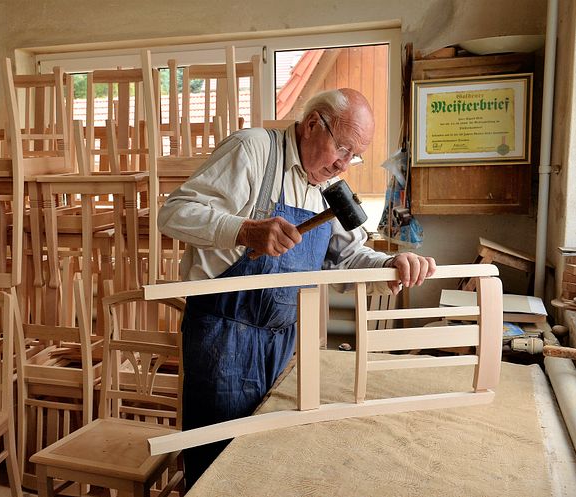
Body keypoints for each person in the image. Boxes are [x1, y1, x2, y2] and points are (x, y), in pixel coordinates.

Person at [158, 88, 436, 485]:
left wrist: (392, 264)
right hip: (224, 336)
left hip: (283, 340)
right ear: (311, 124)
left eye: (354, 156)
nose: (344, 164)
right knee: (216, 466)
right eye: (342, 148)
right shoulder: (254, 150)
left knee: (265, 460)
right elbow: (173, 214)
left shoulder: (328, 188)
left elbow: (348, 257)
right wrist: (243, 229)